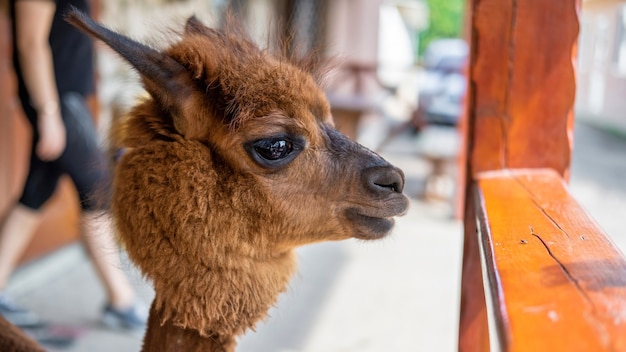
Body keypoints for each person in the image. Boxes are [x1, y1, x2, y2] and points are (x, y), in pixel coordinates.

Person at [0, 0, 147, 331]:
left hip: (68, 99)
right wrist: (49, 114)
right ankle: (121, 301)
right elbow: (29, 42)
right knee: (98, 189)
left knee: (37, 191)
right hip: (57, 102)